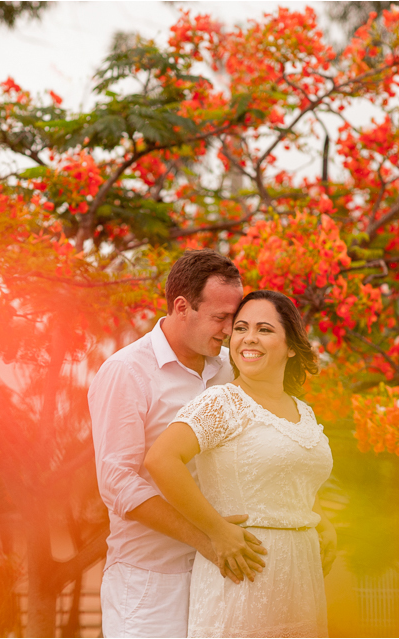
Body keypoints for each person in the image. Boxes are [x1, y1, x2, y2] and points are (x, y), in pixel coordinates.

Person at [88, 250, 267, 638]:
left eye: (234, 318)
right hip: (149, 583)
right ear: (182, 307)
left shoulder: (231, 370)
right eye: (220, 318)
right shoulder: (126, 371)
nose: (229, 330)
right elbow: (117, 484)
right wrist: (208, 538)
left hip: (222, 576)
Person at [146, 290, 338, 638]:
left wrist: (319, 518)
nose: (249, 338)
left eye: (264, 329)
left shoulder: (303, 411)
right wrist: (217, 532)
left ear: (291, 346)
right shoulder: (222, 402)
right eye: (241, 328)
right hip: (243, 576)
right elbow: (161, 460)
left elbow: (291, 475)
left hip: (302, 578)